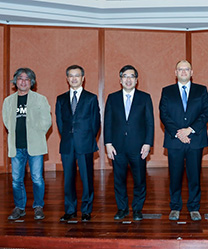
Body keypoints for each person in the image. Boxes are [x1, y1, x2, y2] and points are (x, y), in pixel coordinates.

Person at [159, 60, 208, 221]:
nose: (183, 72)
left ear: (192, 72)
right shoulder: (167, 91)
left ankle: (194, 207)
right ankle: (175, 207)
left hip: (195, 139)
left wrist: (189, 130)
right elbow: (164, 114)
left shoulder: (201, 90)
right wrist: (178, 133)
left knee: (194, 175)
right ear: (175, 73)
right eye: (180, 69)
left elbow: (205, 112)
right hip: (174, 141)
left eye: (186, 69)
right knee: (174, 176)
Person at [104, 65, 154, 221]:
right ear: (120, 80)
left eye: (131, 76)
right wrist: (108, 143)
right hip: (117, 147)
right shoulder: (112, 98)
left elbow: (150, 123)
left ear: (136, 80)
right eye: (125, 76)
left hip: (138, 146)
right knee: (118, 179)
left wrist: (148, 143)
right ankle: (122, 208)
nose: (128, 79)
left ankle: (137, 209)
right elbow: (108, 122)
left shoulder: (145, 98)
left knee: (140, 179)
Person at [3, 68, 52, 220]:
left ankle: (38, 206)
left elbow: (47, 121)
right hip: (16, 146)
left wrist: (37, 133)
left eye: (27, 79)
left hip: (35, 145)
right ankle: (19, 207)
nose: (23, 81)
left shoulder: (40, 99)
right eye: (20, 78)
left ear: (32, 82)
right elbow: (6, 120)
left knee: (37, 178)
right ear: (15, 81)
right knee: (16, 180)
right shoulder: (8, 101)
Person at [56, 65, 100, 222]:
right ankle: (70, 210)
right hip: (67, 144)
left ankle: (86, 210)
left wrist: (87, 138)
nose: (74, 78)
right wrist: (68, 136)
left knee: (87, 179)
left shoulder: (91, 98)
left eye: (77, 76)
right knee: (68, 179)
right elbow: (60, 123)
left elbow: (96, 123)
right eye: (71, 76)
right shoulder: (60, 99)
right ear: (67, 79)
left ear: (83, 78)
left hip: (85, 143)